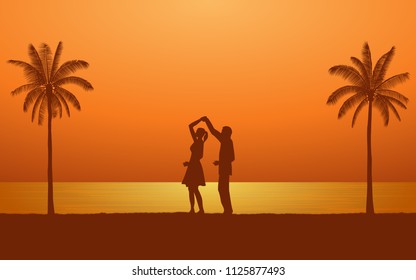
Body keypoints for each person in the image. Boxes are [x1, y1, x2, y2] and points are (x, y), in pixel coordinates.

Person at [201, 116, 235, 214]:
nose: (221, 132)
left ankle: (228, 210)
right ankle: (227, 209)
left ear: (226, 133)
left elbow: (213, 131)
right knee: (222, 189)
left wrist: (207, 120)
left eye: (223, 131)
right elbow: (213, 131)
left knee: (222, 189)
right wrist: (220, 162)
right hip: (224, 169)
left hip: (225, 169)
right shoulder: (227, 141)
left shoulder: (226, 141)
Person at [182, 118, 208, 214]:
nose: (195, 132)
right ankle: (193, 209)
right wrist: (189, 163)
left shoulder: (199, 142)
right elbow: (199, 156)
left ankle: (199, 209)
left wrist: (200, 120)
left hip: (194, 167)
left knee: (194, 189)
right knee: (191, 189)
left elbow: (190, 126)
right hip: (193, 166)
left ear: (199, 134)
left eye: (197, 132)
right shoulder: (199, 142)